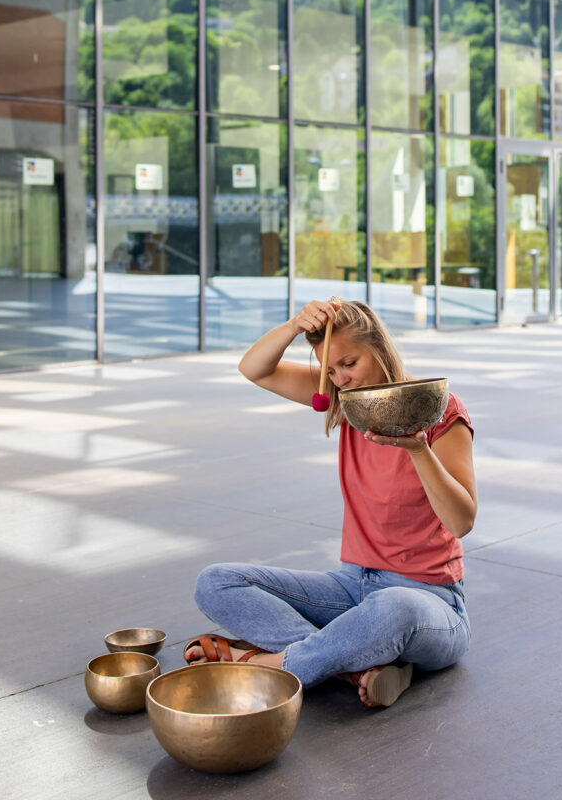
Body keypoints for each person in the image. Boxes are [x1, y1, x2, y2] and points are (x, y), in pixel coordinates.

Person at [185, 298, 476, 708]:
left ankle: (271, 665)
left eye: (349, 363)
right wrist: (292, 325)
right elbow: (254, 368)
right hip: (352, 585)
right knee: (216, 582)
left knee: (392, 608)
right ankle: (352, 665)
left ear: (378, 347)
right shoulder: (345, 402)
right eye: (331, 370)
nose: (341, 379)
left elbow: (462, 520)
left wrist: (418, 449)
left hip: (428, 602)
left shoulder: (441, 411)